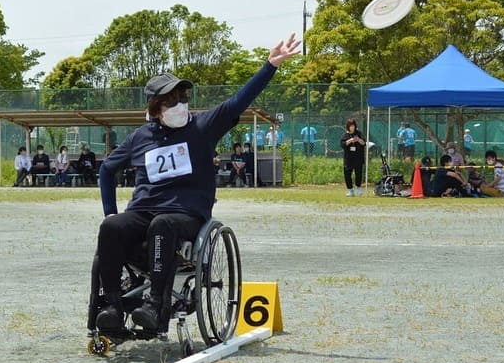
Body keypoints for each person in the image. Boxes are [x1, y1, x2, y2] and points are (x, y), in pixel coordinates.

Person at [94, 34, 301, 333]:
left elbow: (237, 102)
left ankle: (155, 305)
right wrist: (110, 212)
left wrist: (269, 66)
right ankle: (112, 305)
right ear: (155, 109)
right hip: (144, 210)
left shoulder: (202, 127)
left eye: (182, 98)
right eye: (170, 101)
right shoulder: (140, 138)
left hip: (186, 214)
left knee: (162, 224)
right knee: (111, 228)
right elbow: (107, 171)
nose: (179, 105)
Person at [340, 118, 366, 196]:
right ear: (348, 126)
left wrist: (358, 139)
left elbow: (364, 143)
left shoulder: (359, 133)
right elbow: (343, 144)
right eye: (350, 126)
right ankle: (350, 190)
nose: (352, 127)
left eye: (353, 125)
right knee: (347, 174)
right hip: (349, 159)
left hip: (358, 158)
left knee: (358, 173)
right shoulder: (345, 135)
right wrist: (350, 140)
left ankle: (358, 188)